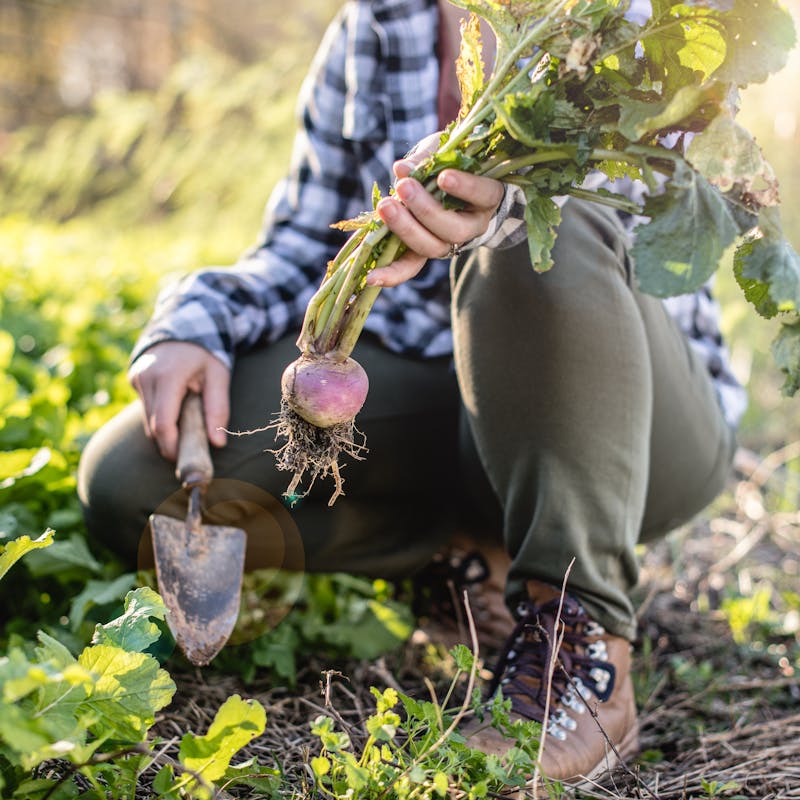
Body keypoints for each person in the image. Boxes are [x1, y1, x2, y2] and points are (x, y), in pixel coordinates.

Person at [77, 0, 747, 785]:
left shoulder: (654, 20)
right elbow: (303, 241)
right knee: (134, 482)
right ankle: (470, 561)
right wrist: (195, 321)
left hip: (638, 428)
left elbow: (667, 244)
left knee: (543, 235)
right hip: (444, 404)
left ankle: (583, 646)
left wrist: (507, 215)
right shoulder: (385, 19)